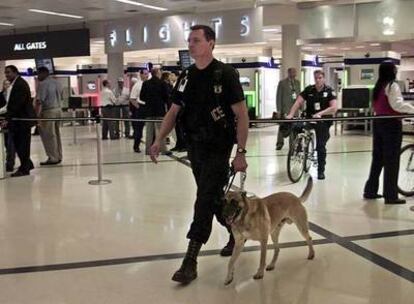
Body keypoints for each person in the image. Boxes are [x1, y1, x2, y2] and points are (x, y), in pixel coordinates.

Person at [149, 25, 249, 284]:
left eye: (196, 40)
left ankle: (190, 261)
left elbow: (241, 115)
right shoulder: (186, 76)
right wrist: (159, 139)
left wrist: (240, 152)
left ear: (211, 43)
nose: (190, 45)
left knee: (203, 199)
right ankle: (234, 232)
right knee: (213, 197)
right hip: (195, 147)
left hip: (218, 146)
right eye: (189, 41)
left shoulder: (225, 74)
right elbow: (173, 112)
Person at [364, 61, 414, 205]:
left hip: (378, 123)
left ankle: (370, 190)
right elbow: (397, 105)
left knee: (378, 158)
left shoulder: (378, 86)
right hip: (391, 125)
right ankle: (390, 195)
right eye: (394, 68)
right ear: (391, 71)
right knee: (392, 160)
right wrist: (411, 109)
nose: (396, 70)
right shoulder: (392, 85)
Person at [286, 70, 337, 180]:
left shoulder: (329, 91)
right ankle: (298, 147)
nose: (318, 80)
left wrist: (320, 114)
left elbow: (334, 108)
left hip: (323, 121)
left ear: (323, 78)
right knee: (296, 127)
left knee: (321, 146)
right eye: (316, 78)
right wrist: (290, 114)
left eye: (320, 78)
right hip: (309, 118)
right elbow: (298, 102)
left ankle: (321, 170)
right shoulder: (309, 89)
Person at [0, 65, 36, 177]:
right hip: (18, 120)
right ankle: (27, 164)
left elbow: (16, 105)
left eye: (9, 72)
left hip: (22, 120)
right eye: (5, 73)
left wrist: (7, 118)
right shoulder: (15, 84)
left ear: (15, 72)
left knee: (22, 145)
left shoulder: (20, 85)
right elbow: (11, 104)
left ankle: (25, 169)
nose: (6, 75)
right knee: (19, 144)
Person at [35, 66, 63, 165]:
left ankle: (52, 157)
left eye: (38, 74)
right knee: (56, 134)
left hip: (48, 111)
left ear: (43, 73)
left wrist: (36, 115)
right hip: (58, 110)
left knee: (48, 135)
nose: (37, 76)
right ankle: (58, 155)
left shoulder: (43, 84)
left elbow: (39, 101)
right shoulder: (57, 82)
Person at [140, 68, 170, 155]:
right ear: (157, 73)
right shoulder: (162, 83)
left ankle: (148, 150)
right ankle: (163, 149)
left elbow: (142, 97)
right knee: (161, 130)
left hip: (149, 110)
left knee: (149, 131)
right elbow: (166, 97)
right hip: (160, 110)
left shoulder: (146, 83)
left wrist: (149, 100)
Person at [276, 67, 301, 150]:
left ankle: (293, 144)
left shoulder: (297, 83)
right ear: (289, 73)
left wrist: (301, 107)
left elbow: (300, 95)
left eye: (295, 72)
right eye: (293, 72)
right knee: (283, 127)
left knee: (294, 127)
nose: (294, 74)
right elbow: (278, 96)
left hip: (295, 109)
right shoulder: (282, 83)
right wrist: (279, 109)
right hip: (285, 108)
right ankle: (279, 143)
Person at [130, 71, 149, 153]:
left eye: (147, 73)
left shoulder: (149, 83)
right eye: (145, 74)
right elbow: (132, 99)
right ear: (141, 75)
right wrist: (139, 108)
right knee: (139, 129)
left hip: (149, 107)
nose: (146, 75)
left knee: (150, 128)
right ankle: (136, 146)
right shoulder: (137, 85)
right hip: (141, 107)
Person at [0, 79, 16, 172]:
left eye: (8, 84)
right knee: (5, 143)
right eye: (5, 84)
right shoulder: (0, 95)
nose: (7, 85)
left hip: (11, 121)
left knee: (11, 144)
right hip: (2, 121)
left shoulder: (13, 95)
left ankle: (10, 163)